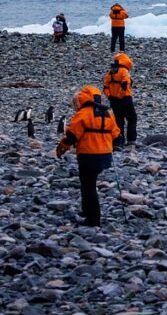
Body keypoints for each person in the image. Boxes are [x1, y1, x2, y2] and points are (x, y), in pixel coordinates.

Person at [56, 85, 121, 227]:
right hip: (105, 155)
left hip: (88, 155)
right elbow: (116, 135)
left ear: (83, 98)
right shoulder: (108, 113)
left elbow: (71, 136)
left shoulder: (83, 113)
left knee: (88, 185)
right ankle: (86, 211)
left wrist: (61, 149)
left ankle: (93, 219)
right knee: (90, 182)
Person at [104, 52, 137, 146]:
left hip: (114, 101)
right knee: (132, 118)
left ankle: (119, 141)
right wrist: (120, 95)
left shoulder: (109, 72)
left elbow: (105, 86)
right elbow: (125, 84)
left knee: (119, 120)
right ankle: (131, 140)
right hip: (125, 99)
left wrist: (110, 96)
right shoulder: (124, 71)